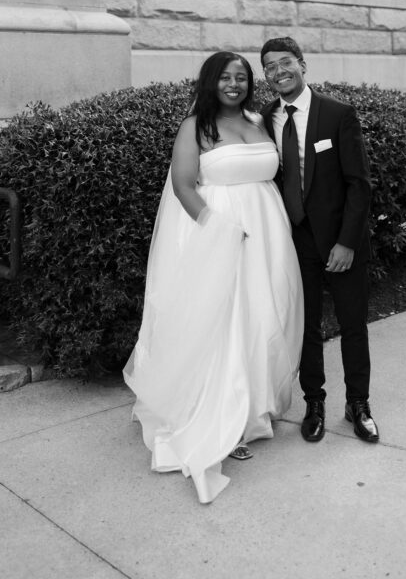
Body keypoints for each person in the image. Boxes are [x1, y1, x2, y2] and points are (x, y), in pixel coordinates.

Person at [123, 51, 303, 504]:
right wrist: (219, 230)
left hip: (268, 233)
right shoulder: (195, 126)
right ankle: (226, 418)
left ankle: (255, 407)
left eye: (241, 77)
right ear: (210, 82)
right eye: (225, 77)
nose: (234, 83)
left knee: (265, 315)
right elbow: (184, 184)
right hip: (219, 234)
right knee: (225, 323)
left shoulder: (260, 120)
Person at [260, 37, 378, 445]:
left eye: (285, 62)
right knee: (306, 326)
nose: (279, 71)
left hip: (341, 241)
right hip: (296, 240)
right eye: (270, 66)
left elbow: (358, 185)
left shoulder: (337, 114)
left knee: (352, 325)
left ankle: (358, 404)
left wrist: (347, 243)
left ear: (302, 64)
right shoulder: (265, 118)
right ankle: (314, 403)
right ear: (266, 75)